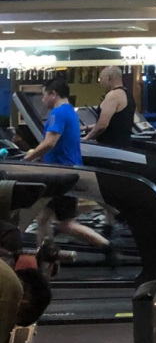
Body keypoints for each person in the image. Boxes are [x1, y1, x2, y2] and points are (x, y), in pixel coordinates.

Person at [21, 77, 118, 267]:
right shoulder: (70, 112)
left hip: (61, 175)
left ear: (53, 94)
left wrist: (28, 158)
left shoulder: (58, 113)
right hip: (62, 172)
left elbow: (50, 142)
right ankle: (43, 260)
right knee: (43, 220)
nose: (42, 100)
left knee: (66, 224)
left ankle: (107, 246)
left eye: (43, 95)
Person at [82, 65, 135, 148]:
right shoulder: (128, 94)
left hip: (110, 147)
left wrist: (86, 138)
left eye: (101, 79)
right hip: (124, 146)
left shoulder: (113, 95)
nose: (100, 83)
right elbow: (114, 123)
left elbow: (103, 125)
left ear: (109, 78)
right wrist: (85, 128)